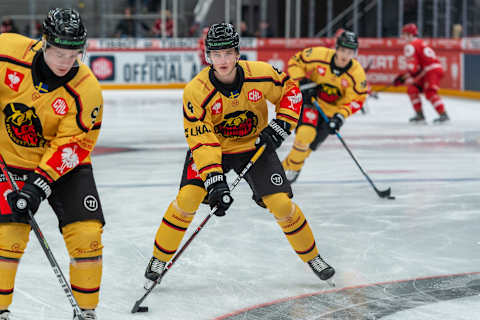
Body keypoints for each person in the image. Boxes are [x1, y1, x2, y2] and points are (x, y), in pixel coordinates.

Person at [143, 22, 335, 290]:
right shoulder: (195, 92)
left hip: (253, 146)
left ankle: (313, 257)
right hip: (214, 151)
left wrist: (281, 125)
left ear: (237, 54)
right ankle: (159, 258)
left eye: (227, 53)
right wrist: (214, 180)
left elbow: (290, 91)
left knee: (281, 204)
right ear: (208, 56)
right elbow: (202, 139)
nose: (222, 60)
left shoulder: (261, 74)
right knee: (187, 198)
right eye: (216, 55)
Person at [0, 8, 104, 320]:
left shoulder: (87, 91)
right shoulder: (7, 53)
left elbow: (72, 145)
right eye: (58, 52)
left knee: (87, 234)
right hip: (11, 160)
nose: (65, 62)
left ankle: (87, 312)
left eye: (73, 54)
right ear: (44, 43)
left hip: (65, 167)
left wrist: (38, 186)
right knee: (7, 235)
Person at [281, 31, 368, 183]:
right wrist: (301, 82)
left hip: (331, 112)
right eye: (342, 50)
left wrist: (340, 116)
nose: (344, 56)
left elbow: (357, 99)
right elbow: (296, 61)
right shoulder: (319, 55)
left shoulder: (357, 74)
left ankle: (286, 167)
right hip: (312, 102)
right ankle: (286, 173)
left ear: (354, 53)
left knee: (309, 148)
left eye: (349, 52)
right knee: (304, 135)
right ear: (336, 48)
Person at [393, 23, 449, 123]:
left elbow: (413, 68)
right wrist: (404, 77)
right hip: (429, 70)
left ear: (410, 35)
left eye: (404, 34)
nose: (403, 37)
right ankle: (420, 115)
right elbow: (417, 68)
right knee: (412, 89)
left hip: (430, 71)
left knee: (430, 92)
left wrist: (402, 77)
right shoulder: (420, 42)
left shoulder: (410, 46)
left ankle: (443, 114)